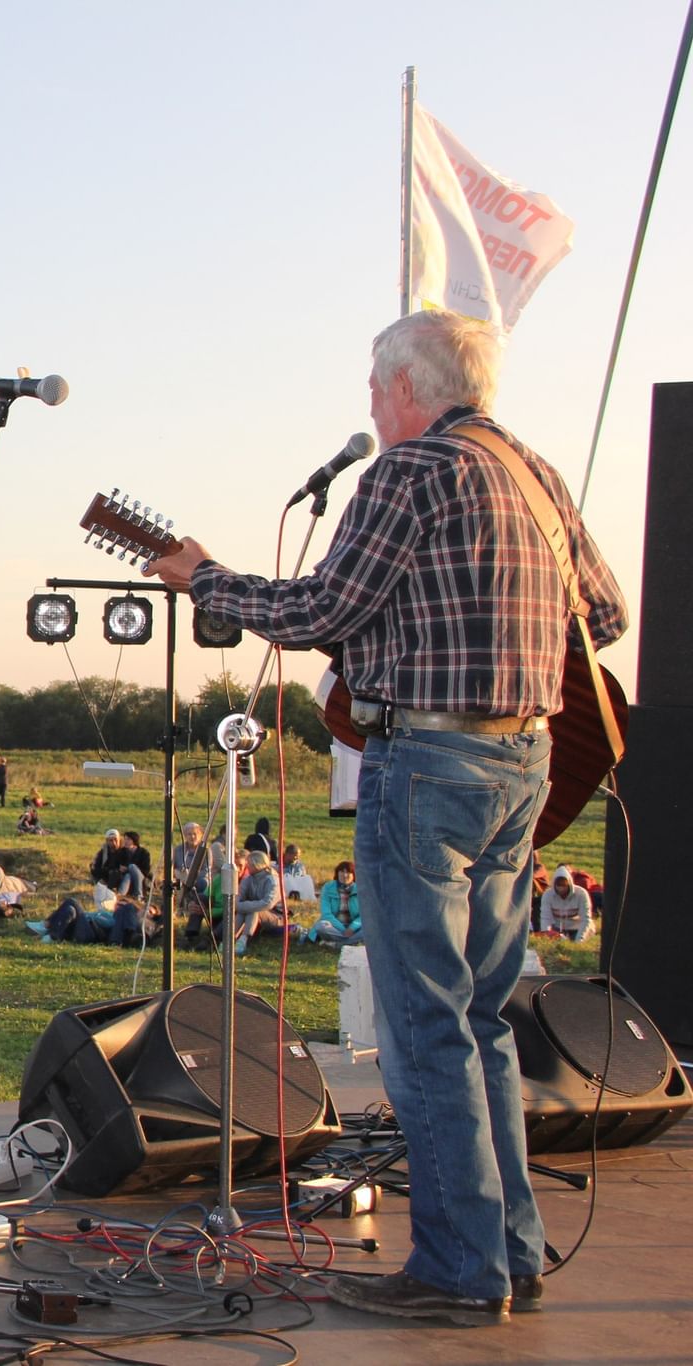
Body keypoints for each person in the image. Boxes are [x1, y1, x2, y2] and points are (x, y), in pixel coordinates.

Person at [143, 307, 627, 1326]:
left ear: (408, 384)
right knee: (479, 1017)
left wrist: (205, 579)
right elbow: (607, 615)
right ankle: (509, 1248)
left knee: (421, 1025)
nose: (368, 404)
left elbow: (322, 610)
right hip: (521, 761)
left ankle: (457, 1269)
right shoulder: (533, 472)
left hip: (427, 765)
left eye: (372, 386)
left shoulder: (407, 474)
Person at [310, 861, 363, 945]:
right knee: (320, 926)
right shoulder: (328, 887)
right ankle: (350, 942)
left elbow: (364, 916)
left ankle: (336, 944)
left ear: (354, 875)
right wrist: (343, 930)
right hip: (334, 926)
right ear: (337, 873)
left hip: (353, 928)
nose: (345, 875)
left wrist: (352, 928)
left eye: (348, 872)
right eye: (342, 872)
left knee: (371, 929)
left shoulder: (362, 889)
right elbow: (326, 914)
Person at [538, 865, 591, 941]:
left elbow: (586, 919)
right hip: (557, 929)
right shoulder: (547, 895)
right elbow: (545, 918)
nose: (561, 888)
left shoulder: (581, 894)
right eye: (558, 885)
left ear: (569, 884)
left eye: (564, 885)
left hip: (577, 929)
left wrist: (580, 939)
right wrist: (547, 935)